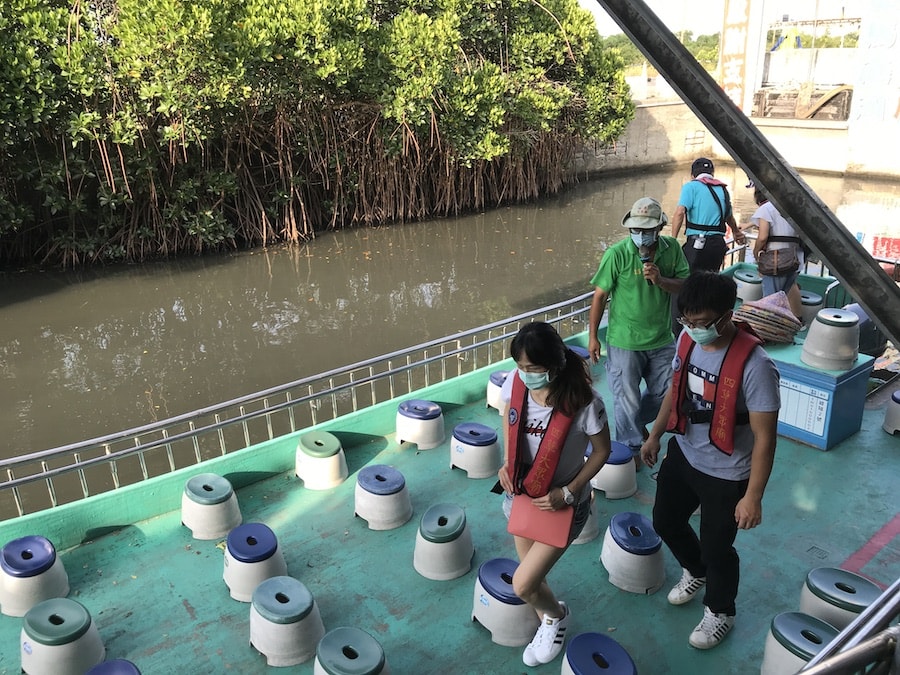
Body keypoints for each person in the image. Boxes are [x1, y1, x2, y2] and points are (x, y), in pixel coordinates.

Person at [640, 271, 780, 650]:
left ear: (726, 315)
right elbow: (675, 391)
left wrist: (753, 496)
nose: (694, 329)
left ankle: (721, 611)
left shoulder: (756, 366)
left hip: (728, 472)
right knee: (665, 520)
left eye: (702, 323)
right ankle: (695, 570)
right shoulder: (687, 339)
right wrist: (654, 434)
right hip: (685, 453)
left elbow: (766, 438)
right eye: (687, 321)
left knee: (718, 547)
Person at [497, 321, 611, 666]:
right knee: (533, 577)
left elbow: (603, 451)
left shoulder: (585, 402)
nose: (525, 374)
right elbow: (509, 416)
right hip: (522, 498)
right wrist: (506, 462)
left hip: (562, 505)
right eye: (520, 367)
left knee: (522, 584)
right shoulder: (514, 384)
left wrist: (570, 491)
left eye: (533, 368)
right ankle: (548, 613)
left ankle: (556, 616)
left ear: (556, 364)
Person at [588, 197, 690, 464]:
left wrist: (661, 280)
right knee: (625, 399)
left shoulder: (672, 250)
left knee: (668, 391)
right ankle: (630, 451)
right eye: (636, 230)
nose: (641, 236)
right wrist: (593, 338)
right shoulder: (617, 254)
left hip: (661, 338)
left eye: (646, 230)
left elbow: (685, 284)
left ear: (659, 228)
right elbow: (599, 297)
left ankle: (638, 422)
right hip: (624, 340)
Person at [672, 157, 746, 271]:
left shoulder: (690, 186)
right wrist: (736, 232)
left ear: (692, 175)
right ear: (712, 173)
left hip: (698, 244)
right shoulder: (723, 189)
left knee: (691, 280)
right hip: (717, 244)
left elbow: (680, 213)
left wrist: (673, 240)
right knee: (711, 279)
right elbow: (729, 217)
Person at [750, 187, 805, 319]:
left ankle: (766, 331)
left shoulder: (766, 209)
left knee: (769, 301)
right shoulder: (793, 209)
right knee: (782, 298)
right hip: (795, 259)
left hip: (776, 262)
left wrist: (756, 252)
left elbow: (762, 237)